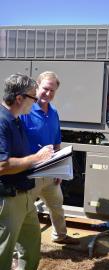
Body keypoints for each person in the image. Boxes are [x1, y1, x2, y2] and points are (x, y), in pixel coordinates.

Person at [0, 73, 54, 270]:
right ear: (19, 98)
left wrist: (45, 161)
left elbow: (20, 157)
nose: (37, 100)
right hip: (8, 199)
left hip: (24, 196)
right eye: (33, 96)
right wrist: (36, 158)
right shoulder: (2, 121)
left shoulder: (16, 119)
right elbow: (2, 166)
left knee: (31, 245)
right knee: (3, 254)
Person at [20, 71, 79, 244]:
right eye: (45, 89)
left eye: (52, 91)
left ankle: (60, 236)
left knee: (57, 207)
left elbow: (56, 143)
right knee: (23, 212)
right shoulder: (26, 111)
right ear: (37, 86)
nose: (48, 94)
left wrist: (59, 170)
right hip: (30, 173)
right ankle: (18, 250)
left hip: (51, 172)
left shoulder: (53, 112)